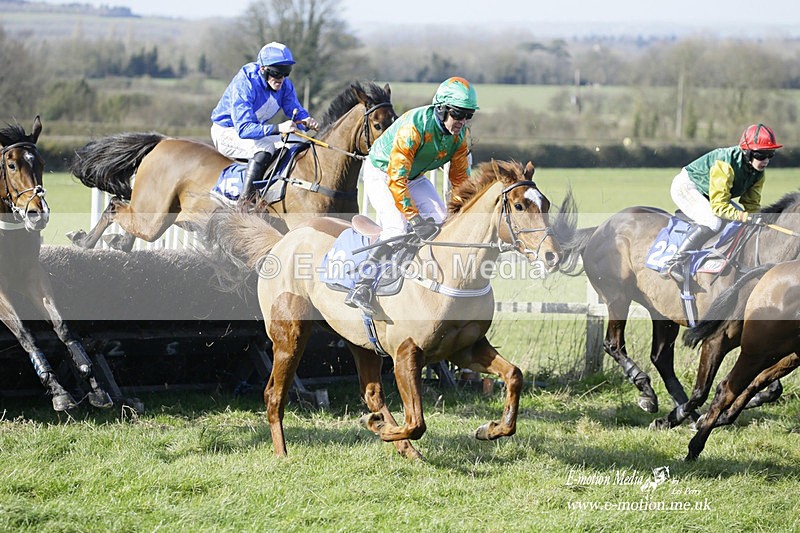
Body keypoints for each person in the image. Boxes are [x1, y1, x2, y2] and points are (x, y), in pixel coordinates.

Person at [344, 76, 478, 315]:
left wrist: (461, 213)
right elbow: (396, 180)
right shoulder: (413, 127)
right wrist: (415, 219)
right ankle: (362, 284)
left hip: (414, 177)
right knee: (397, 227)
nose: (462, 121)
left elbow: (460, 183)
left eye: (468, 115)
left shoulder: (459, 136)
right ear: (442, 108)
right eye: (458, 114)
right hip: (383, 174)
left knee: (441, 222)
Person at [664, 123, 782, 282]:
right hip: (687, 186)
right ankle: (674, 262)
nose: (766, 160)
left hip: (709, 193)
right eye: (761, 154)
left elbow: (751, 206)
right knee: (713, 221)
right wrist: (745, 217)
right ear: (746, 152)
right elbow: (719, 207)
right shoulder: (725, 164)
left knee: (743, 222)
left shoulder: (759, 173)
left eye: (770, 154)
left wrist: (758, 220)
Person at [210, 41, 319, 199]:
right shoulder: (245, 83)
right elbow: (244, 129)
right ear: (263, 69)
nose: (281, 78)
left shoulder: (285, 85)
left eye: (286, 72)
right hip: (227, 131)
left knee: (298, 142)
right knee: (265, 148)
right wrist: (278, 128)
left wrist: (306, 120)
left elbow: (294, 108)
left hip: (255, 131)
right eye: (276, 72)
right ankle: (245, 202)